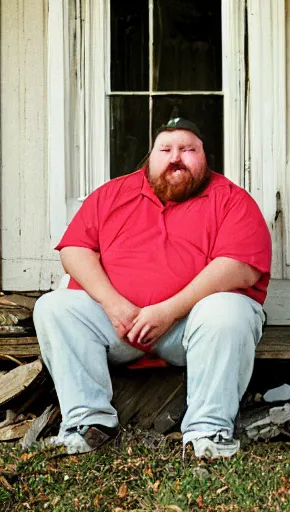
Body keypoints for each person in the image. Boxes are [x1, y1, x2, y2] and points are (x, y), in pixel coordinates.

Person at [34, 118, 272, 459]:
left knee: (229, 310)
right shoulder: (113, 193)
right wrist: (114, 305)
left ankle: (209, 432)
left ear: (205, 158)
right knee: (53, 307)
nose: (176, 157)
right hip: (120, 324)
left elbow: (240, 267)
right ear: (150, 157)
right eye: (166, 149)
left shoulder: (231, 200)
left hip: (190, 329)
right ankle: (89, 424)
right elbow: (75, 250)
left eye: (188, 150)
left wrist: (167, 311)